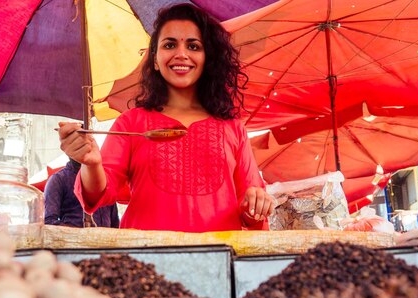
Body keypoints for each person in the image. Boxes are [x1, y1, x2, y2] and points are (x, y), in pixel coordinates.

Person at [58, 3, 274, 232]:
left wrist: (257, 204)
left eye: (193, 46)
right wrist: (91, 164)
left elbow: (252, 209)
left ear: (207, 58)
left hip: (218, 259)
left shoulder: (233, 127)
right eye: (170, 44)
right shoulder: (131, 122)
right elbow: (99, 194)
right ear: (154, 59)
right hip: (144, 260)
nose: (181, 54)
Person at [44, 158, 119, 228]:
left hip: (106, 240)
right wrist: (79, 234)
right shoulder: (58, 180)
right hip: (73, 240)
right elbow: (49, 223)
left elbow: (115, 225)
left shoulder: (105, 180)